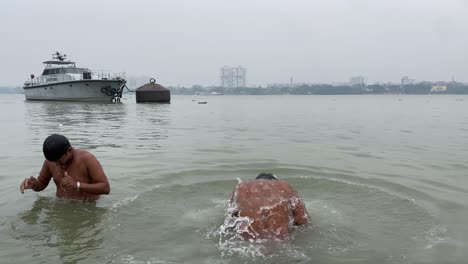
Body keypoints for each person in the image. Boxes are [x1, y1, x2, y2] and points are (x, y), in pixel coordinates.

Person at [20, 134, 110, 200]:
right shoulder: (51, 161)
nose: (57, 165)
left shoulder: (86, 159)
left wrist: (77, 185)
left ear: (69, 151)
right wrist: (34, 185)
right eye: (54, 162)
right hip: (61, 206)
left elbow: (105, 188)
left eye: (59, 161)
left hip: (87, 207)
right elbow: (41, 184)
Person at [224, 173, 309, 241]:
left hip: (247, 240)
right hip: (280, 240)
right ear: (274, 181)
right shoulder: (284, 187)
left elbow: (231, 218)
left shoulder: (240, 187)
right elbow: (302, 220)